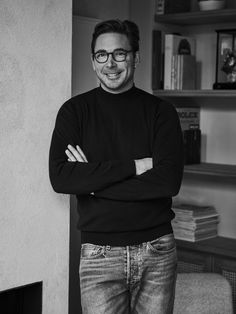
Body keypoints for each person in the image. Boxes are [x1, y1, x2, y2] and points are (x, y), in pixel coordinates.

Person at [49, 19, 184, 314]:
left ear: (135, 56)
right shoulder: (74, 112)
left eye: (120, 54)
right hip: (99, 254)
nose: (111, 63)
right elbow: (61, 178)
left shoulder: (162, 113)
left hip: (157, 250)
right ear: (93, 61)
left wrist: (94, 183)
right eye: (102, 55)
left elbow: (167, 182)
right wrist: (136, 166)